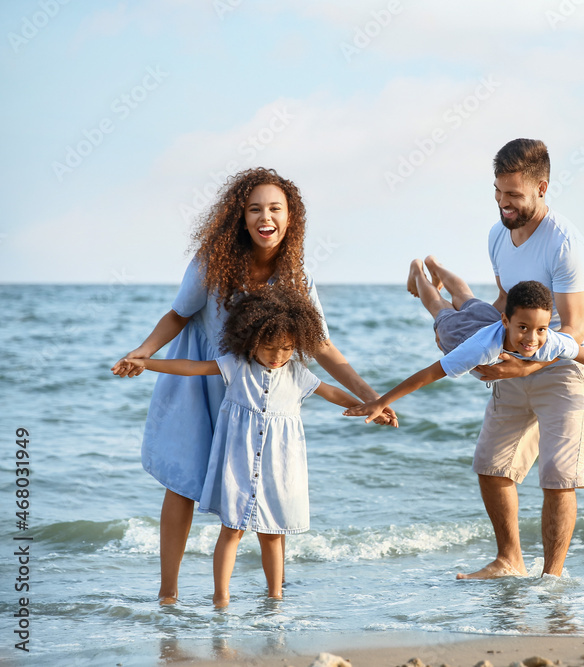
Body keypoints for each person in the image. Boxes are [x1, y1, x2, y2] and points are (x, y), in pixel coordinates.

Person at [110, 167, 395, 604]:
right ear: (240, 217)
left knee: (259, 492)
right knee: (183, 483)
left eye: (275, 208)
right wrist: (143, 353)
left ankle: (271, 594)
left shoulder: (297, 276)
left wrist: (372, 398)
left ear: (290, 217)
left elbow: (320, 346)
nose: (266, 217)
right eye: (255, 208)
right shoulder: (213, 262)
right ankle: (168, 595)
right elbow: (178, 315)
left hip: (258, 393)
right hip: (205, 378)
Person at [118, 287, 359, 607]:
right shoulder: (237, 366)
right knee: (231, 530)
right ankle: (221, 598)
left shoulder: (297, 373)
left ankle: (275, 598)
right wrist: (147, 363)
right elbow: (191, 368)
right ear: (251, 339)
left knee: (273, 533)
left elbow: (331, 392)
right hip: (238, 464)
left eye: (287, 348)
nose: (278, 356)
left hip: (278, 469)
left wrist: (370, 406)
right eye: (269, 347)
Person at [463, 138, 584, 579]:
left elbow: (574, 330)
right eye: (499, 193)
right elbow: (506, 300)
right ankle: (510, 560)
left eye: (515, 196)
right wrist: (476, 346)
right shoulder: (497, 236)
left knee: (558, 477)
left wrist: (525, 364)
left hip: (566, 370)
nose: (504, 204)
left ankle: (552, 577)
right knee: (491, 464)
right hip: (516, 359)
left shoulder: (566, 245)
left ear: (542, 188)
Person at [344, 280, 584, 424]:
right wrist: (381, 401)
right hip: (460, 334)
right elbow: (428, 375)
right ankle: (419, 272)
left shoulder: (549, 338)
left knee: (465, 295)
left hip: (486, 318)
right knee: (440, 307)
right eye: (523, 329)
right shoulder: (480, 348)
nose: (531, 340)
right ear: (507, 321)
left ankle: (435, 265)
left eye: (539, 329)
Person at [406, 254, 503, 355]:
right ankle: (417, 273)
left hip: (492, 320)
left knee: (464, 296)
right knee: (437, 305)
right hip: (463, 336)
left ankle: (435, 266)